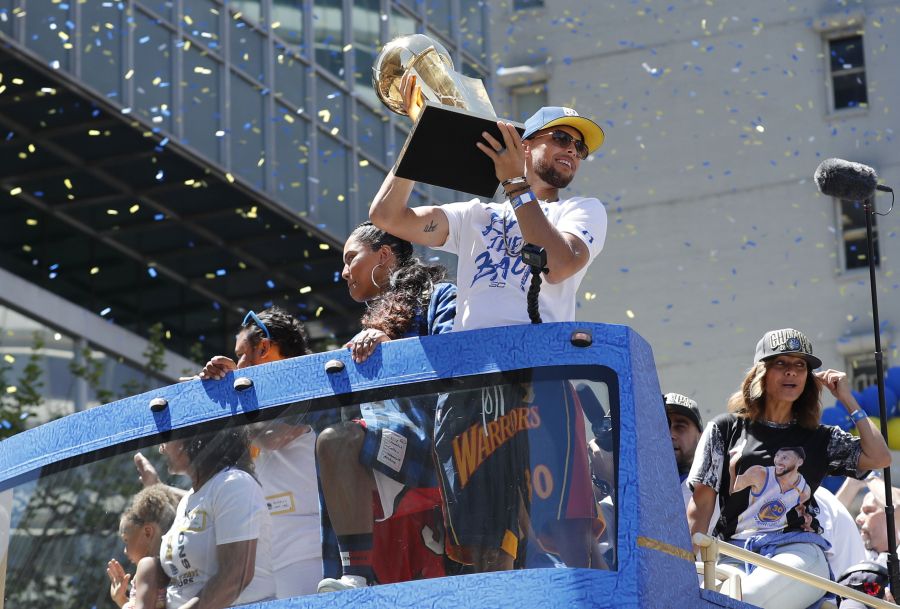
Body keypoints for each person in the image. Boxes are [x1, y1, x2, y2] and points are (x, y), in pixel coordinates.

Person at [369, 84, 607, 572]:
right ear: (525, 145)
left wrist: (517, 186)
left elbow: (559, 264)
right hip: (471, 387)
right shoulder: (476, 216)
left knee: (567, 533)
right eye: (560, 137)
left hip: (540, 380)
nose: (572, 152)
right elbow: (386, 216)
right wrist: (425, 143)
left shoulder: (582, 211)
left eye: (579, 147)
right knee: (481, 546)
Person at [687, 328, 891, 609]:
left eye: (800, 365)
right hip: (731, 553)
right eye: (781, 363)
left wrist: (848, 400)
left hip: (798, 551)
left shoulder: (821, 437)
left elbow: (880, 457)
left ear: (808, 377)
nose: (791, 372)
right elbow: (700, 508)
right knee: (708, 600)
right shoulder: (725, 429)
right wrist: (682, 568)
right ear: (762, 373)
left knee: (745, 599)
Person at [135, 306, 322, 599]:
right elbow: (215, 499)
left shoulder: (310, 387)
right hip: (261, 575)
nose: (237, 362)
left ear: (264, 347)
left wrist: (227, 399)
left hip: (302, 564)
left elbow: (275, 436)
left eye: (241, 354)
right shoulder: (251, 415)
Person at [315, 221, 456, 592]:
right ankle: (357, 578)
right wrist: (235, 376)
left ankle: (355, 576)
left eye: (350, 258)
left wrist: (391, 346)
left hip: (433, 448)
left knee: (337, 442)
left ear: (384, 255)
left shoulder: (440, 297)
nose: (343, 271)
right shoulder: (365, 330)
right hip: (382, 464)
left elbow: (458, 360)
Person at [137, 426, 275, 608]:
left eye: (166, 439)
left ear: (192, 439)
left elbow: (235, 576)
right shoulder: (189, 499)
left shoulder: (233, 483)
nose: (161, 448)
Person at [106, 485, 179, 609]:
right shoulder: (162, 566)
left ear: (148, 533)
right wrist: (121, 599)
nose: (125, 550)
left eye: (126, 540)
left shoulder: (147, 565)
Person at [837, 480, 900, 607]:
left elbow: (897, 505)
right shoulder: (851, 546)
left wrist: (870, 477)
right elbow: (830, 519)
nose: (858, 519)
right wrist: (853, 482)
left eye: (868, 511)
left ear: (891, 517)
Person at [664, 392, 720, 534]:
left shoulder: (715, 489)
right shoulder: (631, 486)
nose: (670, 434)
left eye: (680, 427)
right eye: (662, 426)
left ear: (701, 438)